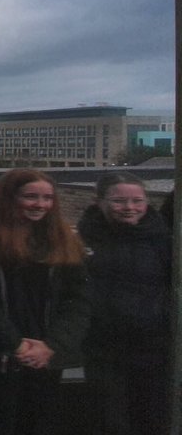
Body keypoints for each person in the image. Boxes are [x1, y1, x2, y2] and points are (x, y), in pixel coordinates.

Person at [0, 169, 89, 434]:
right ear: (10, 197)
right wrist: (16, 345)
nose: (41, 204)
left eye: (48, 198)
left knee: (41, 421)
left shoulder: (65, 238)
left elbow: (78, 299)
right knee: (0, 419)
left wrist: (52, 346)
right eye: (31, 196)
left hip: (47, 351)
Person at [79, 172, 172, 435]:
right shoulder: (83, 239)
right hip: (103, 345)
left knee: (152, 417)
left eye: (137, 201)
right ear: (99, 201)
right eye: (119, 201)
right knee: (110, 420)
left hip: (153, 345)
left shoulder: (164, 241)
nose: (130, 208)